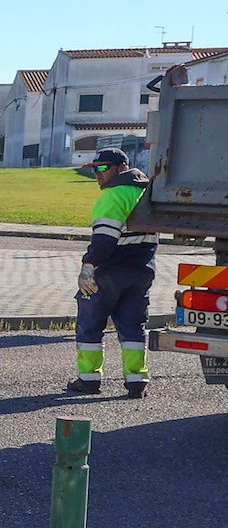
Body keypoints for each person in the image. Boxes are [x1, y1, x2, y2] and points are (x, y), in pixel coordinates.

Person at [70, 147, 159, 397]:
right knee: (133, 326)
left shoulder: (113, 196)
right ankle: (136, 382)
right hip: (141, 271)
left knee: (90, 324)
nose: (97, 174)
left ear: (121, 168)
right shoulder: (146, 193)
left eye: (102, 168)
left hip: (109, 273)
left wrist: (88, 267)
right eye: (94, 169)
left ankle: (88, 380)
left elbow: (104, 241)